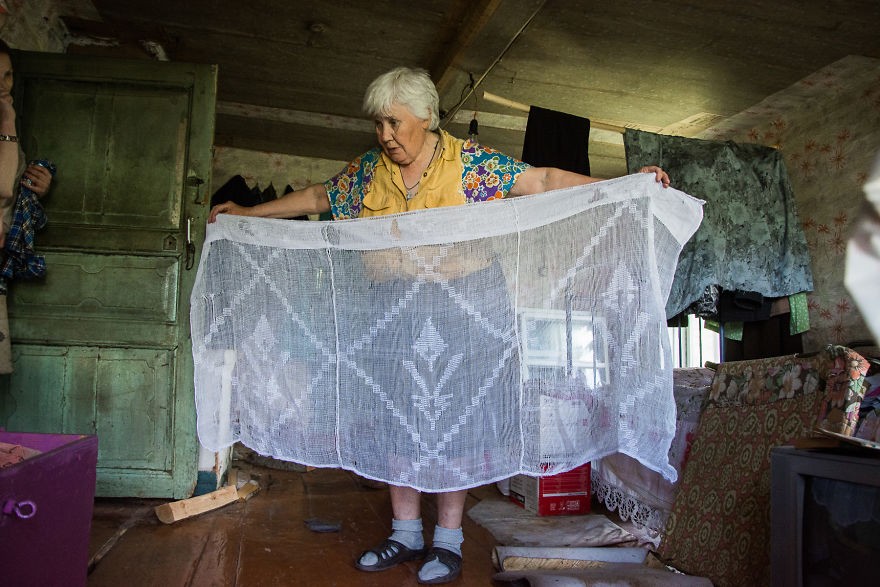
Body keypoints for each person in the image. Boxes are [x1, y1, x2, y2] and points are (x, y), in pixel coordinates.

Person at [209, 66, 669, 584]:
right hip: (390, 309)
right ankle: (405, 534)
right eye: (378, 124)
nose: (384, 135)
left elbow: (541, 180)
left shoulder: (468, 164)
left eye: (393, 123)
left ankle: (447, 543)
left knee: (455, 426)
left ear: (425, 117)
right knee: (396, 420)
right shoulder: (370, 170)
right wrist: (250, 213)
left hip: (464, 309)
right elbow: (320, 198)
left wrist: (623, 184)